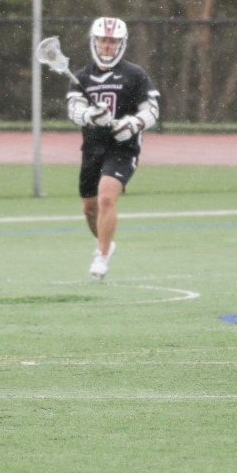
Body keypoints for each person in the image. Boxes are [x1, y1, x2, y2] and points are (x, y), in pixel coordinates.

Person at [66, 17, 161, 279]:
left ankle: (102, 255)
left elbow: (152, 110)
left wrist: (133, 124)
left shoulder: (135, 74)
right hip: (93, 147)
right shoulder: (82, 76)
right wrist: (89, 117)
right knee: (89, 206)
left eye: (113, 41)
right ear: (95, 42)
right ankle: (106, 243)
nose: (108, 46)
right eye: (104, 40)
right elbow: (73, 109)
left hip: (123, 147)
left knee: (106, 196)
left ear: (122, 43)